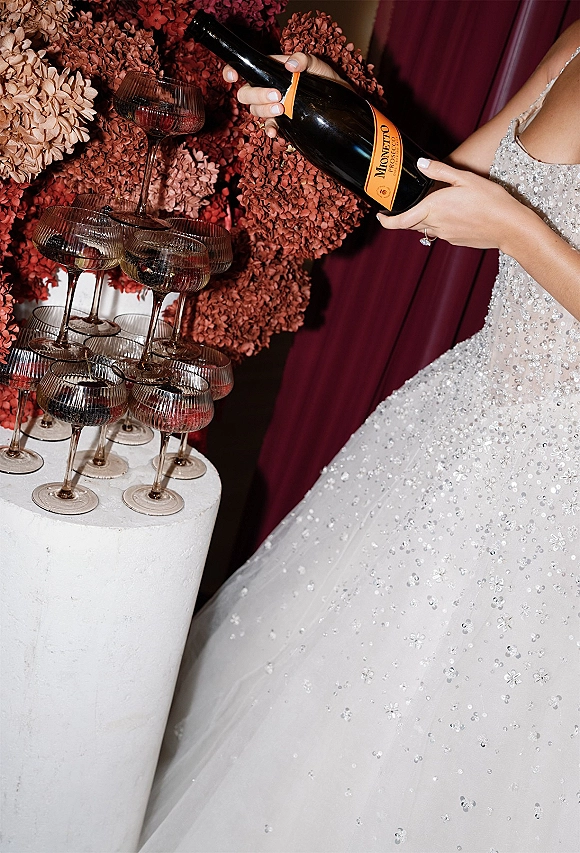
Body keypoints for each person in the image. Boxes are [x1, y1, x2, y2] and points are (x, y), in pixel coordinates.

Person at [138, 22, 580, 853]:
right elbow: (433, 187)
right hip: (465, 425)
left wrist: (517, 230)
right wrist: (330, 110)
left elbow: (503, 219)